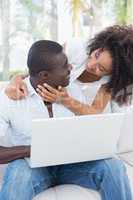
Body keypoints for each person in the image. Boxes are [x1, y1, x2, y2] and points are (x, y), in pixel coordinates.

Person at [0, 39, 132, 200]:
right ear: (44, 75)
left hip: (71, 165)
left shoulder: (73, 91)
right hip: (30, 165)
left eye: (102, 68)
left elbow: (92, 121)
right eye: (65, 66)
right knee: (18, 175)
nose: (71, 68)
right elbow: (36, 67)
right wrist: (33, 149)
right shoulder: (10, 98)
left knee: (113, 166)